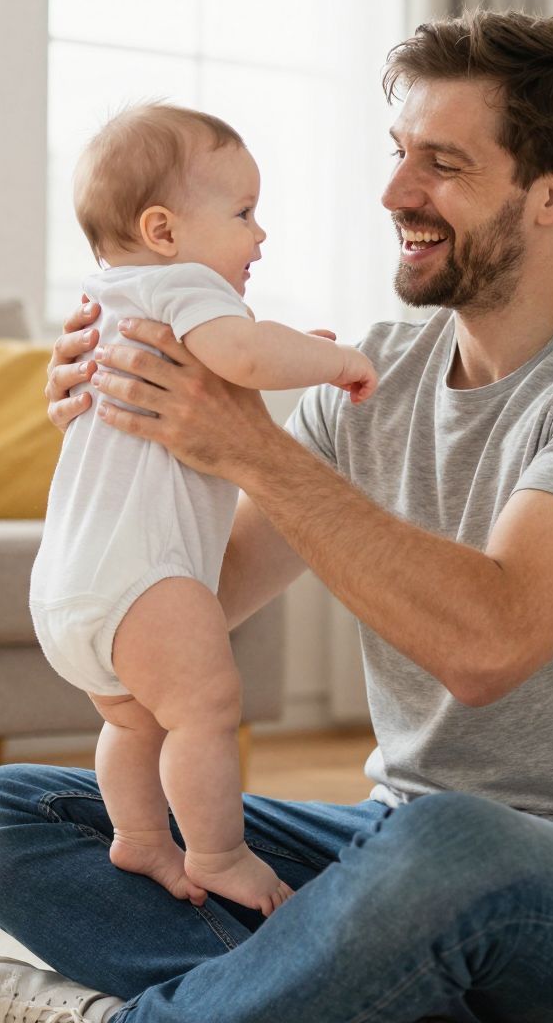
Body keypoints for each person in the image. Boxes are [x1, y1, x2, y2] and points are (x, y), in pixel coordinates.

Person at [0, 10, 553, 1023]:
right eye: (397, 155)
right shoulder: (375, 373)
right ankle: (319, 992)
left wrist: (250, 445)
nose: (395, 192)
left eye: (441, 163)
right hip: (387, 845)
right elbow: (198, 606)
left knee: (451, 850)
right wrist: (122, 440)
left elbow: (489, 643)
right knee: (11, 816)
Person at [28, 102, 377, 923]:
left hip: (70, 585)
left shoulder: (107, 299)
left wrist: (282, 345)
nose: (261, 236)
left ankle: (141, 836)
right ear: (163, 229)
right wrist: (332, 359)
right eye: (245, 213)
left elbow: (242, 358)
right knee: (208, 709)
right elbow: (245, 355)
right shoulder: (182, 285)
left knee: (137, 722)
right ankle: (217, 853)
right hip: (143, 577)